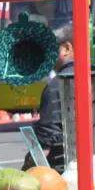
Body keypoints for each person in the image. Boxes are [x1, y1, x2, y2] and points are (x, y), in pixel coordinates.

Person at [31, 26, 76, 170]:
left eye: (50, 49)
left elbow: (47, 137)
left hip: (66, 170)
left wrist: (28, 167)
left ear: (66, 49)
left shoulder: (57, 85)